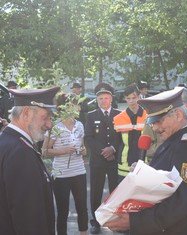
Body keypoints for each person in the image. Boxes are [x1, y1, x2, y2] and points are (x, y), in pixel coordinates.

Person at [105, 88, 187, 235]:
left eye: (158, 121)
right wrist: (145, 173)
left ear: (178, 115)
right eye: (152, 123)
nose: (155, 128)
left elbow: (181, 201)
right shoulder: (175, 140)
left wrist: (135, 221)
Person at [0, 86, 59, 235]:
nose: (49, 124)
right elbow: (28, 219)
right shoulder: (20, 152)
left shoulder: (8, 142)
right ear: (26, 113)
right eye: (45, 117)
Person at [42, 93, 88, 235]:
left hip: (79, 171)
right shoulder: (55, 127)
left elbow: (83, 147)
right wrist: (63, 150)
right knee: (63, 210)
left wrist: (83, 151)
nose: (79, 107)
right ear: (67, 107)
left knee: (82, 208)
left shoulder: (80, 125)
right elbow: (44, 152)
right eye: (76, 104)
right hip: (61, 174)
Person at [84, 83, 121, 234]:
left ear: (111, 99)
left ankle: (116, 220)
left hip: (114, 160)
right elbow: (88, 138)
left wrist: (112, 149)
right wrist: (103, 151)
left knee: (116, 191)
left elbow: (121, 136)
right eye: (100, 98)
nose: (103, 101)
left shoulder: (119, 115)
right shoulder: (91, 115)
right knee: (96, 192)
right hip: (98, 161)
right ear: (97, 100)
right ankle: (95, 222)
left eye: (106, 98)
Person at [114, 84, 147, 181]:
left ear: (139, 96)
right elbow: (116, 142)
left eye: (134, 97)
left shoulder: (147, 116)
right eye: (128, 98)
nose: (131, 101)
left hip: (144, 163)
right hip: (124, 165)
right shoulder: (118, 118)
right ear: (125, 99)